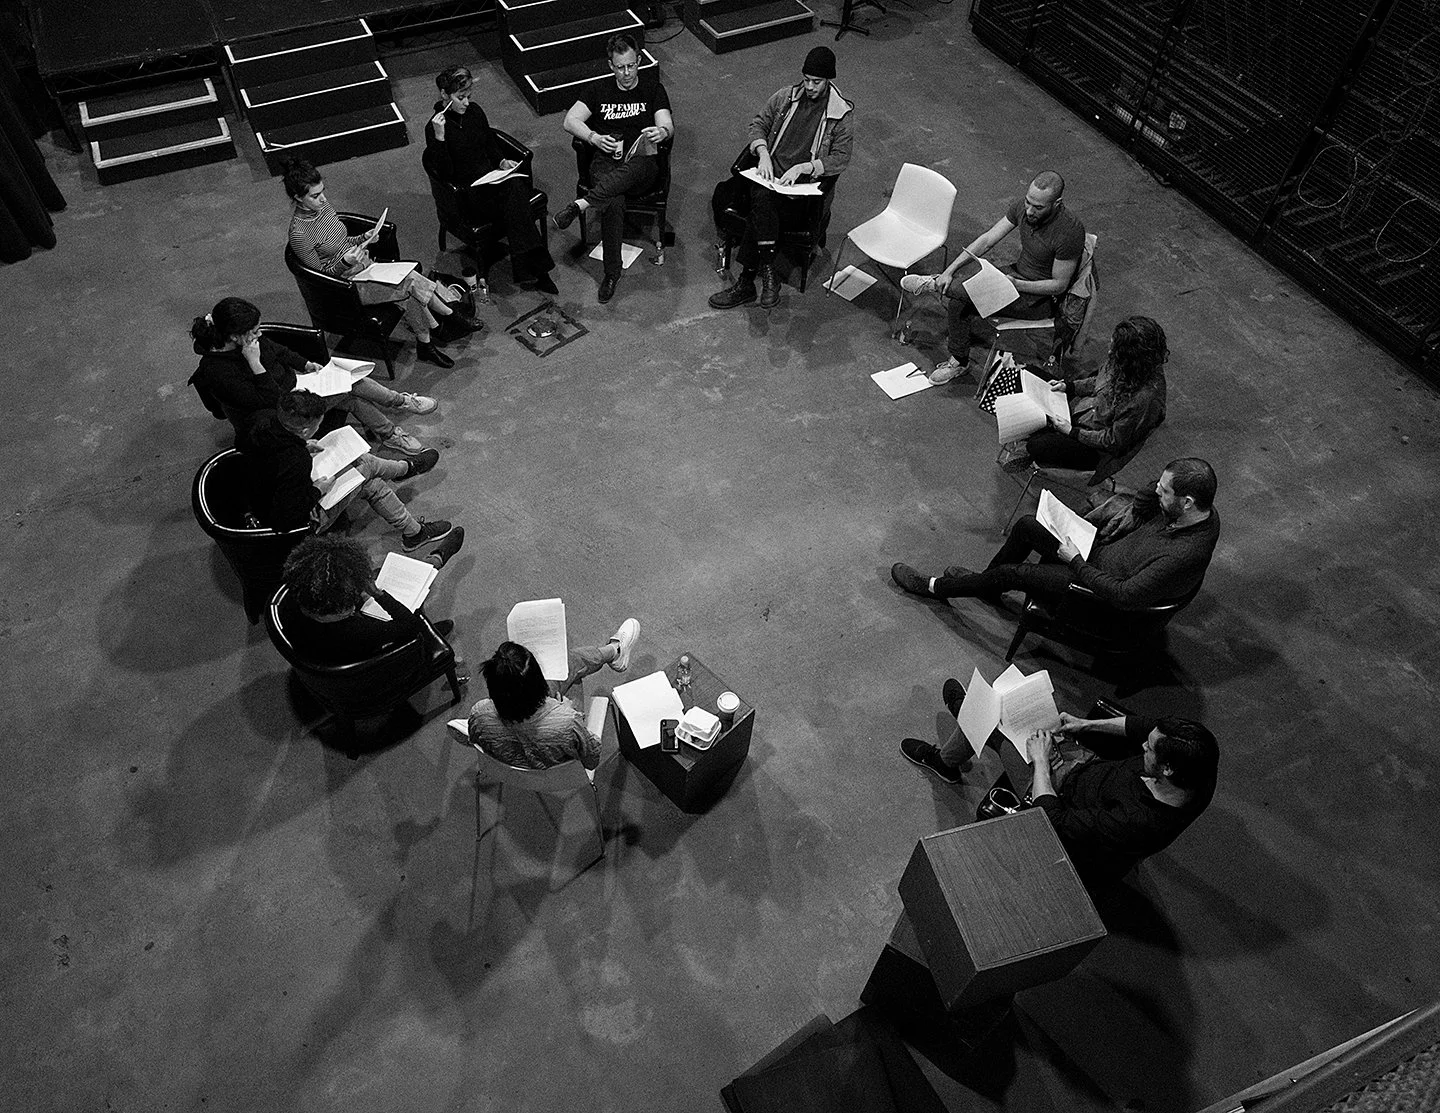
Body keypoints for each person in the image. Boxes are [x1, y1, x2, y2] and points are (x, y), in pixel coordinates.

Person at [900, 681, 1218, 887]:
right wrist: (1085, 725)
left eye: (1149, 749)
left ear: (1168, 769)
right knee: (1007, 707)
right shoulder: (1198, 767)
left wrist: (1041, 762)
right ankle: (967, 719)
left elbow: (1053, 820)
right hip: (1086, 766)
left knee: (990, 720)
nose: (1143, 745)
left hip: (1056, 795)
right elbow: (1140, 726)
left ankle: (949, 751)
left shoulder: (1134, 820)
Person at [891, 458, 1219, 610]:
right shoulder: (1193, 510)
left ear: (1187, 502)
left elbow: (1123, 595)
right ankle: (987, 586)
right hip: (1096, 554)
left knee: (1014, 572)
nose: (1157, 493)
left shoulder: (1182, 554)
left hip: (1096, 590)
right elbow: (1147, 498)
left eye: (1164, 492)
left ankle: (936, 587)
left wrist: (1075, 561)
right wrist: (1155, 491)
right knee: (1027, 526)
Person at [283, 158, 479, 369]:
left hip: (363, 267)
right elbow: (320, 279)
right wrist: (344, 263)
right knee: (410, 282)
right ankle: (449, 316)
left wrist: (363, 238)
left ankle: (427, 343)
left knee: (409, 284)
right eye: (315, 196)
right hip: (344, 288)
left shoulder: (323, 208)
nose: (323, 199)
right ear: (298, 198)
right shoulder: (300, 234)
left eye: (322, 192)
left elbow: (341, 241)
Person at [189, 297, 438, 456]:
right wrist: (255, 365)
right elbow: (269, 403)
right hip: (278, 414)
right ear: (234, 336)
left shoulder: (249, 341)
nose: (259, 334)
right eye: (254, 331)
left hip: (296, 388)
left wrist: (305, 364)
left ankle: (393, 423)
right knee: (351, 390)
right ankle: (396, 416)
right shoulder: (217, 373)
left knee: (351, 384)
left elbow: (279, 351)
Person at [902, 171, 1086, 384]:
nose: (1029, 211)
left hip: (1039, 299)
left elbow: (1058, 285)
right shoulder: (1022, 208)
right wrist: (949, 271)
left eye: (1038, 207)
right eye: (1028, 202)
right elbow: (987, 240)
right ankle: (959, 361)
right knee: (959, 302)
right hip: (1014, 276)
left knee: (963, 297)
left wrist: (1018, 284)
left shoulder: (1069, 232)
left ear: (1057, 203)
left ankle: (933, 285)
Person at [709, 46, 854, 311]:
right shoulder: (785, 97)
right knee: (763, 199)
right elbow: (758, 124)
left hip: (801, 192)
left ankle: (747, 282)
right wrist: (763, 153)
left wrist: (806, 168)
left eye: (816, 82)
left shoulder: (840, 115)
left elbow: (841, 158)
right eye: (806, 79)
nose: (809, 87)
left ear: (828, 80)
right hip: (770, 178)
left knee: (761, 206)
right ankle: (768, 274)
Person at [244, 389, 455, 552]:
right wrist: (318, 490)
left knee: (369, 480)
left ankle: (414, 530)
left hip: (259, 497)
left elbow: (270, 458)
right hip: (300, 523)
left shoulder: (261, 421)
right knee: (367, 468)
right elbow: (288, 515)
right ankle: (405, 470)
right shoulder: (296, 461)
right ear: (306, 430)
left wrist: (302, 444)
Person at [554, 33, 674, 304]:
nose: (627, 73)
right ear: (611, 66)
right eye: (620, 67)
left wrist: (662, 132)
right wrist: (594, 138)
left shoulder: (653, 89)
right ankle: (611, 273)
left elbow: (667, 123)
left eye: (631, 65)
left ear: (639, 61)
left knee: (638, 166)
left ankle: (580, 205)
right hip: (607, 162)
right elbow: (570, 120)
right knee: (613, 200)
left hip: (641, 164)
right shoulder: (598, 90)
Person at [424, 65, 558, 295]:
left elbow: (488, 141)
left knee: (514, 189)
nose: (467, 103)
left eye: (468, 96)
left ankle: (532, 270)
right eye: (460, 97)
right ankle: (538, 272)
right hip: (466, 195)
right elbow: (444, 173)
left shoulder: (475, 112)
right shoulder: (434, 128)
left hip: (492, 182)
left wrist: (501, 161)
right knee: (516, 194)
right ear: (444, 95)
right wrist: (440, 138)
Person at [466, 619, 640, 770]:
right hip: (557, 763)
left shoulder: (480, 713)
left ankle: (613, 651)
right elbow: (591, 759)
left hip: (511, 770)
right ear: (539, 681)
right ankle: (614, 650)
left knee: (569, 666)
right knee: (570, 669)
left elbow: (472, 740)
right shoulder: (568, 721)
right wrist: (566, 710)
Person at [276, 533, 465, 666]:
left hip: (323, 649)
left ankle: (434, 561)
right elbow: (410, 626)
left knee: (379, 573)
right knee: (410, 598)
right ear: (344, 600)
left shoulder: (294, 600)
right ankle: (434, 562)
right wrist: (378, 594)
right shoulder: (363, 632)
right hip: (373, 664)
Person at [1017, 315, 1169, 472]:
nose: (1109, 352)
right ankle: (1037, 430)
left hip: (1093, 447)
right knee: (1030, 373)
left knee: (1037, 445)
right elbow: (1098, 381)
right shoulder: (1123, 360)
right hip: (1083, 414)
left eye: (1114, 349)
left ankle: (1033, 440)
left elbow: (1113, 442)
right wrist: (1069, 387)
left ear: (1132, 358)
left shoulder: (1145, 401)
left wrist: (1072, 432)